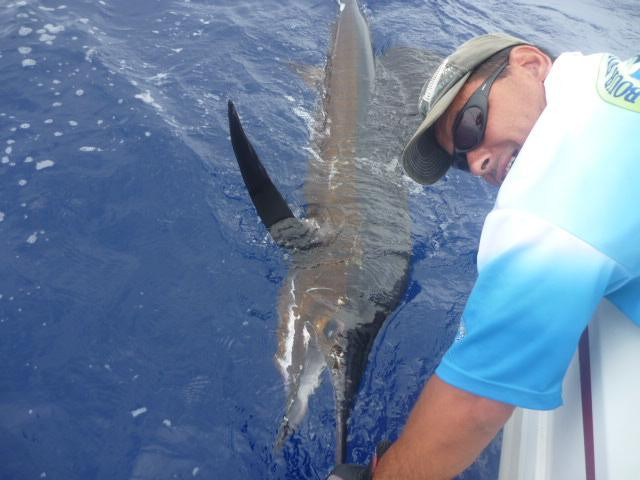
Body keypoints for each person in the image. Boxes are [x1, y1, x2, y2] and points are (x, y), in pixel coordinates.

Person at [328, 32, 640, 479]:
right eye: (462, 158)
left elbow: (476, 405)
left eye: (469, 125)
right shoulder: (599, 74)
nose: (475, 164)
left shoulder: (547, 205)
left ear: (531, 63)